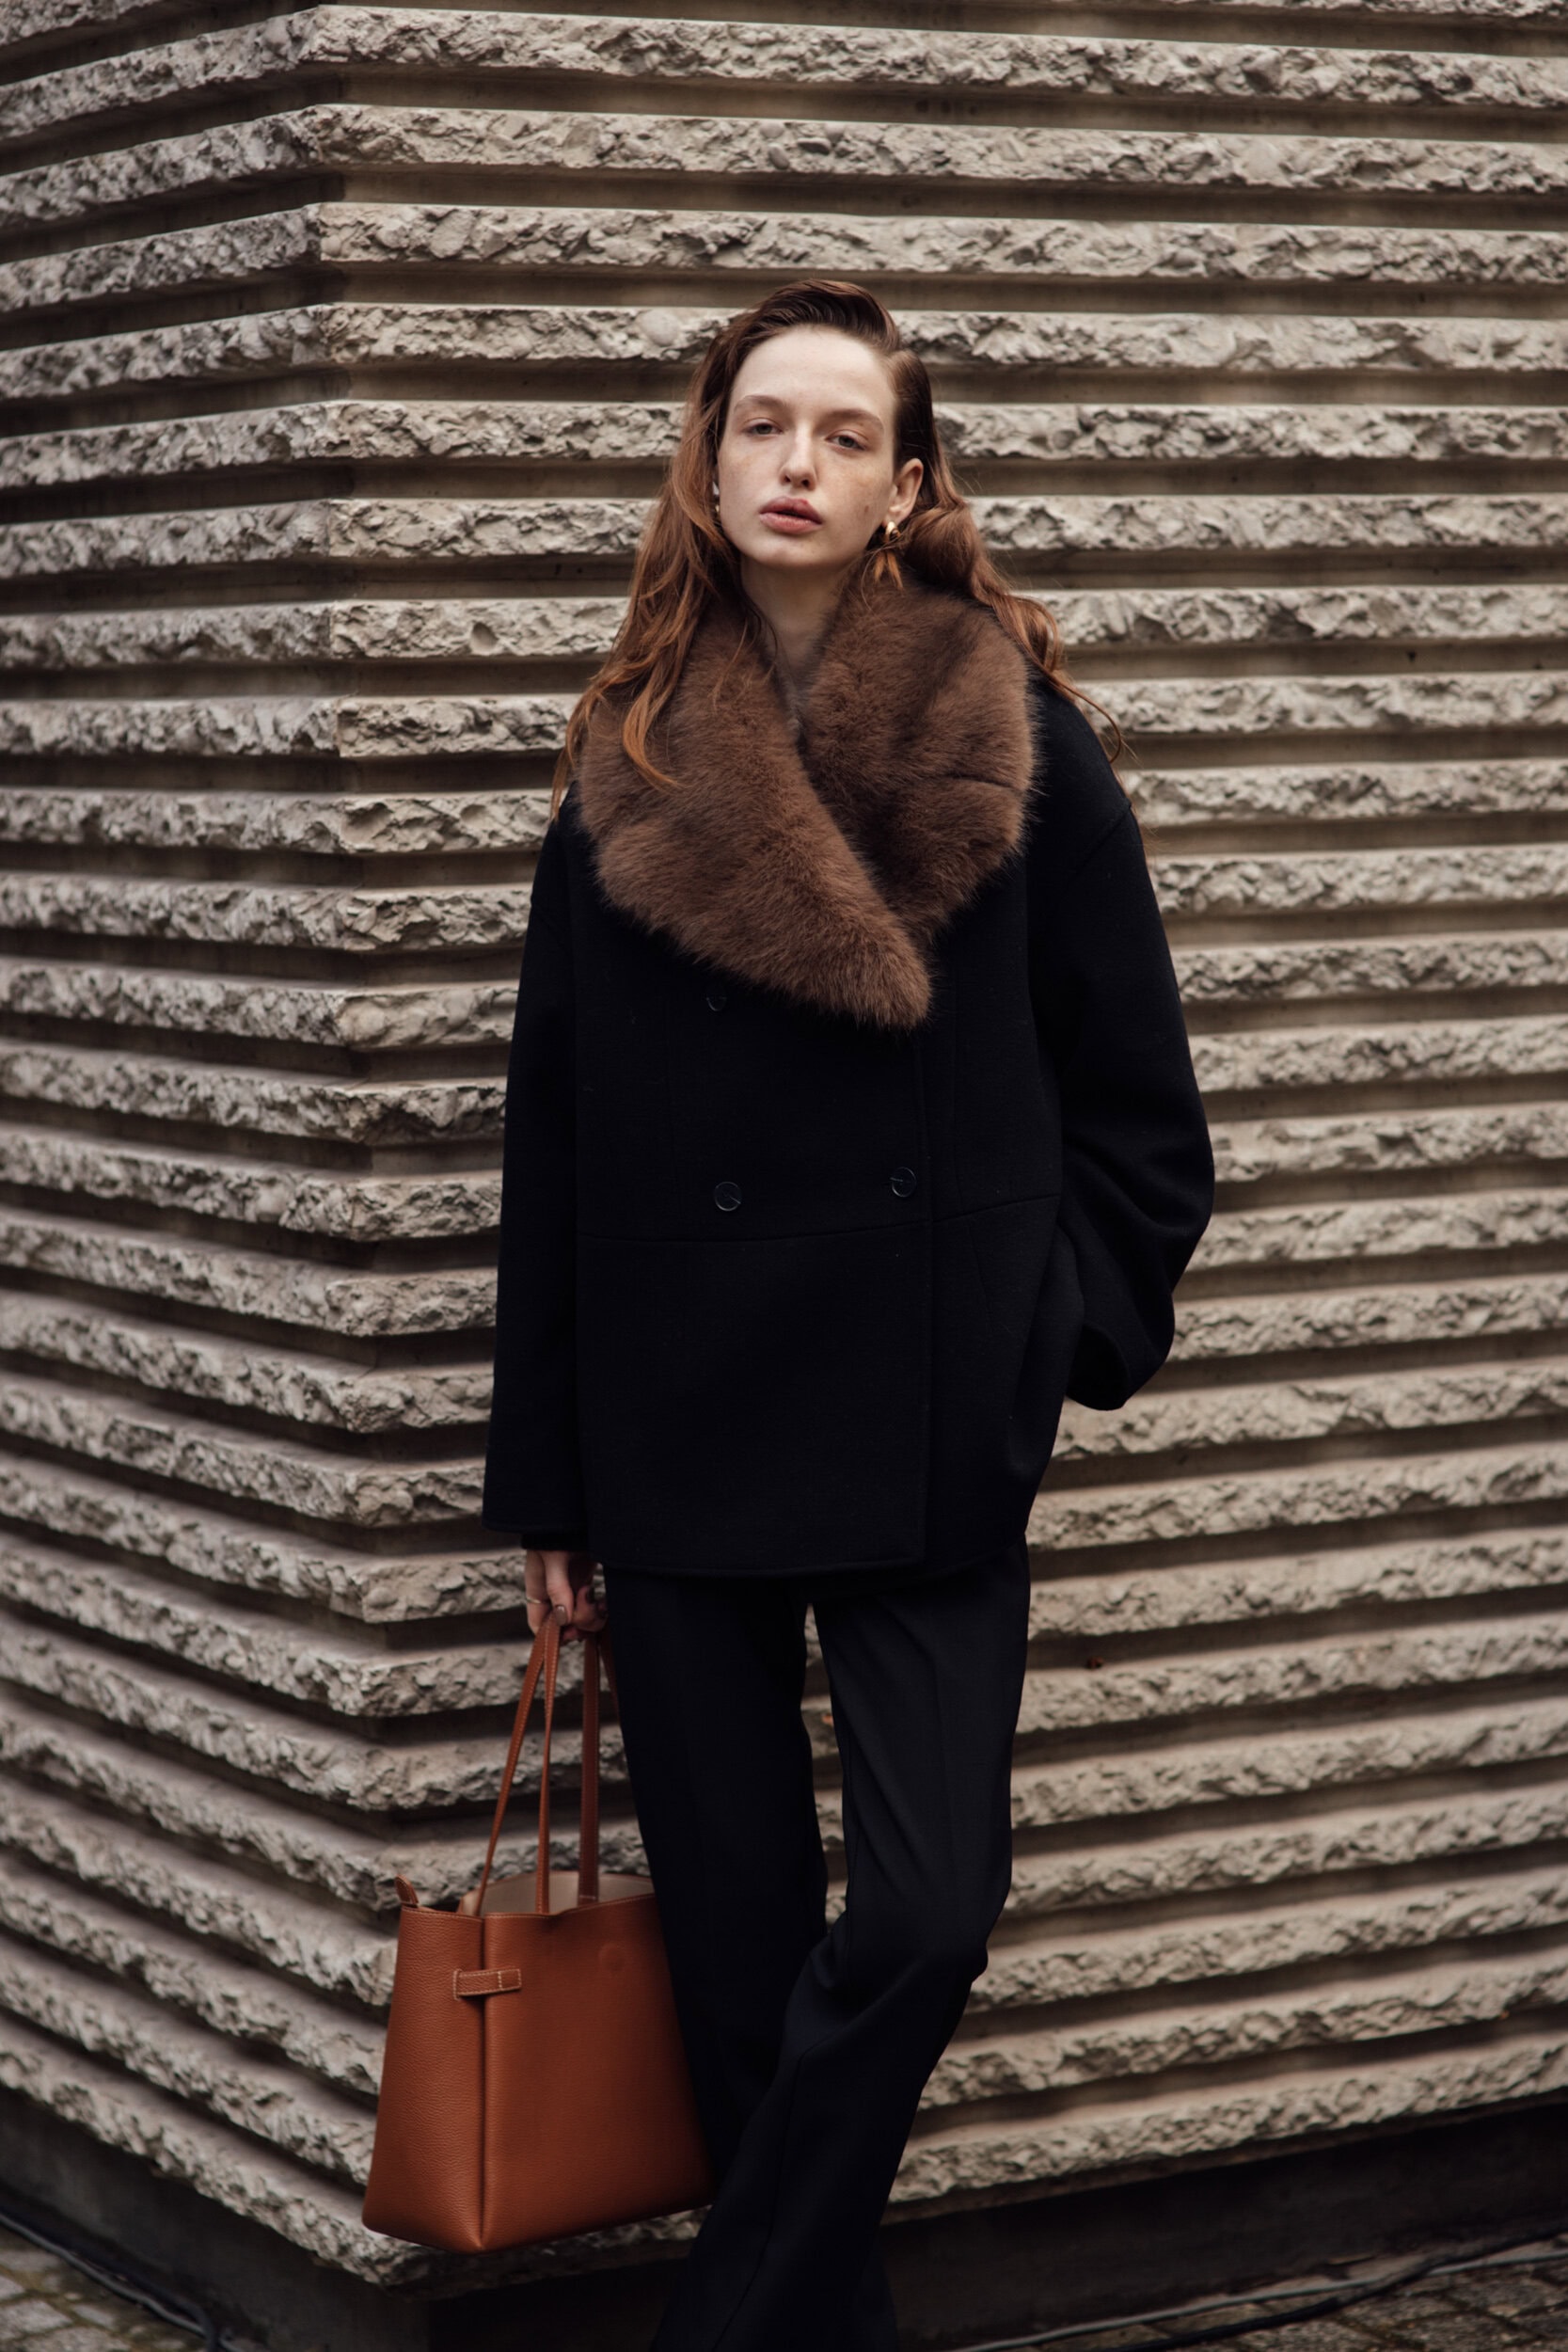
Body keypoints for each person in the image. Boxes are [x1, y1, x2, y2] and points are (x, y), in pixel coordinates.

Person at [481, 278, 1213, 2352]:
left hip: (925, 1426)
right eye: (761, 425)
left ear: (906, 483)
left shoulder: (1024, 741)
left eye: (844, 433)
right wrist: (550, 1480)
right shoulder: (626, 759)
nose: (796, 463)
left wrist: (1038, 1341)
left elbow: (1146, 1117)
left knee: (925, 1911)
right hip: (680, 1432)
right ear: (707, 464)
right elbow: (557, 1149)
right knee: (735, 1956)